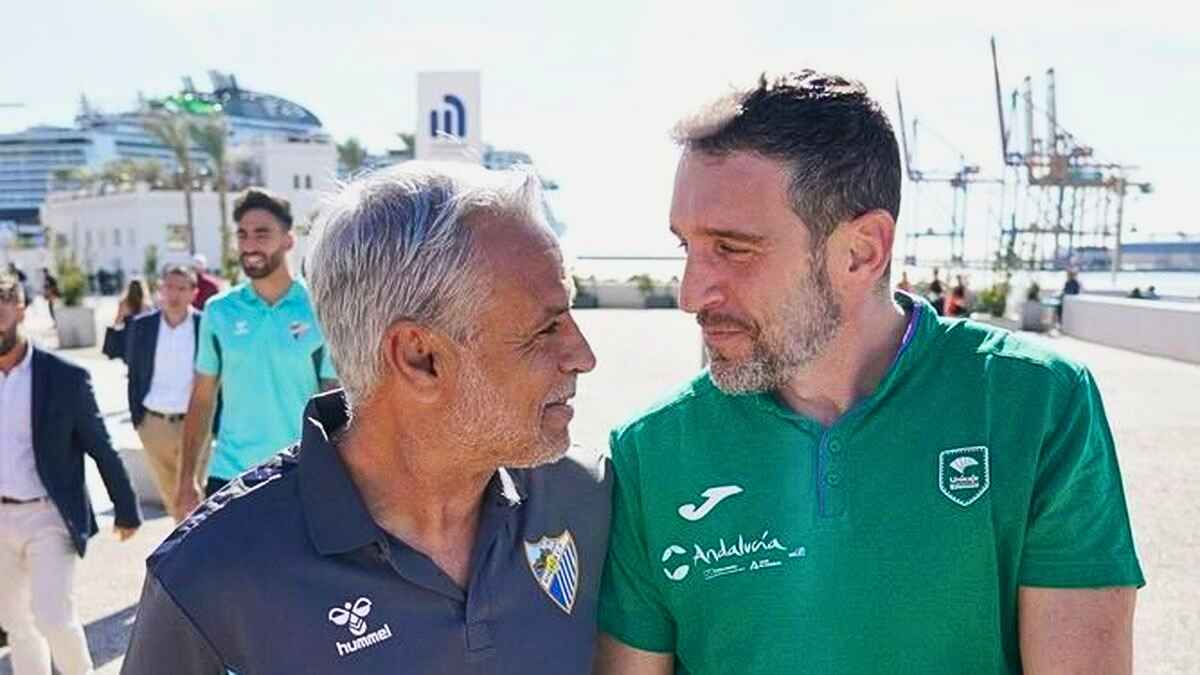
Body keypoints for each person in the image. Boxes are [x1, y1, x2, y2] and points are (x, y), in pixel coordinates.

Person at [595, 72, 1143, 675]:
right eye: (686, 248)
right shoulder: (652, 452)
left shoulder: (1035, 404)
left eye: (732, 249)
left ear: (861, 251)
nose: (691, 292)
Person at [122, 163, 611, 674]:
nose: (582, 354)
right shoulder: (207, 579)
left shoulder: (589, 496)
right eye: (546, 328)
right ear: (418, 357)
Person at [0, 273, 142, 675]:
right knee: (16, 624)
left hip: (49, 515)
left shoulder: (63, 377)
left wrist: (126, 508)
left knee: (52, 616)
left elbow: (100, 445)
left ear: (21, 310)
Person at [173, 188, 338, 517]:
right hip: (229, 475)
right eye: (243, 234)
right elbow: (202, 398)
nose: (249, 245)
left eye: (262, 234)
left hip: (298, 472)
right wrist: (185, 480)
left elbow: (333, 398)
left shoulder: (320, 309)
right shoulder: (219, 311)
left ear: (289, 240)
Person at [123, 265, 211, 521]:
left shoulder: (204, 325)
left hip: (194, 423)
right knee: (171, 497)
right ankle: (182, 553)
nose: (174, 294)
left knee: (195, 495)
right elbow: (134, 374)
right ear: (160, 290)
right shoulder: (142, 327)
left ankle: (197, 551)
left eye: (182, 288)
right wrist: (138, 420)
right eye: (169, 287)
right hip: (154, 424)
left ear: (194, 293)